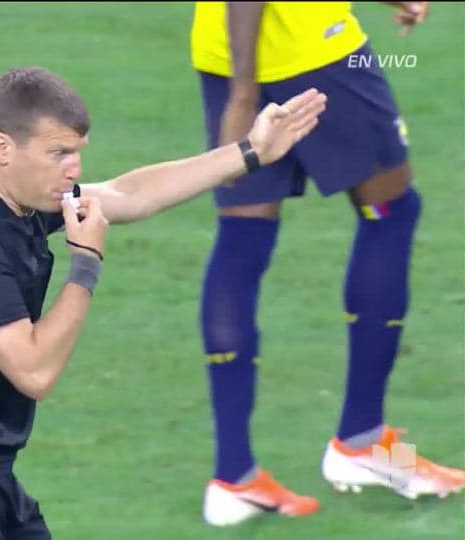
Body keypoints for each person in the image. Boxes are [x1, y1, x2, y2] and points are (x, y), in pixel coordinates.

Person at [0, 65, 326, 539]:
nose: (75, 169)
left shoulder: (15, 202)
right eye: (59, 154)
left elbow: (129, 194)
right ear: (2, 148)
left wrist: (251, 151)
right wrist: (85, 264)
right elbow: (34, 371)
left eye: (77, 152)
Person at [190, 1, 465, 527]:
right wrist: (245, 95)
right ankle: (362, 440)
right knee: (390, 212)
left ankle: (233, 477)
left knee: (244, 237)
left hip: (221, 49)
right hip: (313, 51)